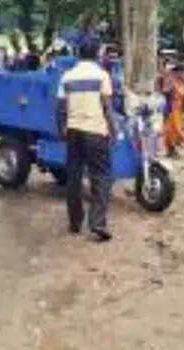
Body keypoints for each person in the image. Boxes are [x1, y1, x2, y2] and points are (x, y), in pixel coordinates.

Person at [57, 38, 117, 242]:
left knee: (73, 177)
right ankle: (97, 223)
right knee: (101, 177)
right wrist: (114, 130)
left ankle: (75, 222)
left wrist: (61, 129)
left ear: (78, 53)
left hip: (74, 131)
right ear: (97, 53)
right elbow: (107, 106)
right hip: (95, 131)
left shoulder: (67, 76)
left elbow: (61, 107)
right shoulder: (102, 75)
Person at [161, 63, 184, 158]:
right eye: (183, 72)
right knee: (171, 130)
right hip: (172, 109)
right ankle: (171, 149)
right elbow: (166, 94)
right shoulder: (171, 82)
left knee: (178, 130)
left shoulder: (183, 83)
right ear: (178, 72)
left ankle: (174, 149)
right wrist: (168, 110)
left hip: (179, 109)